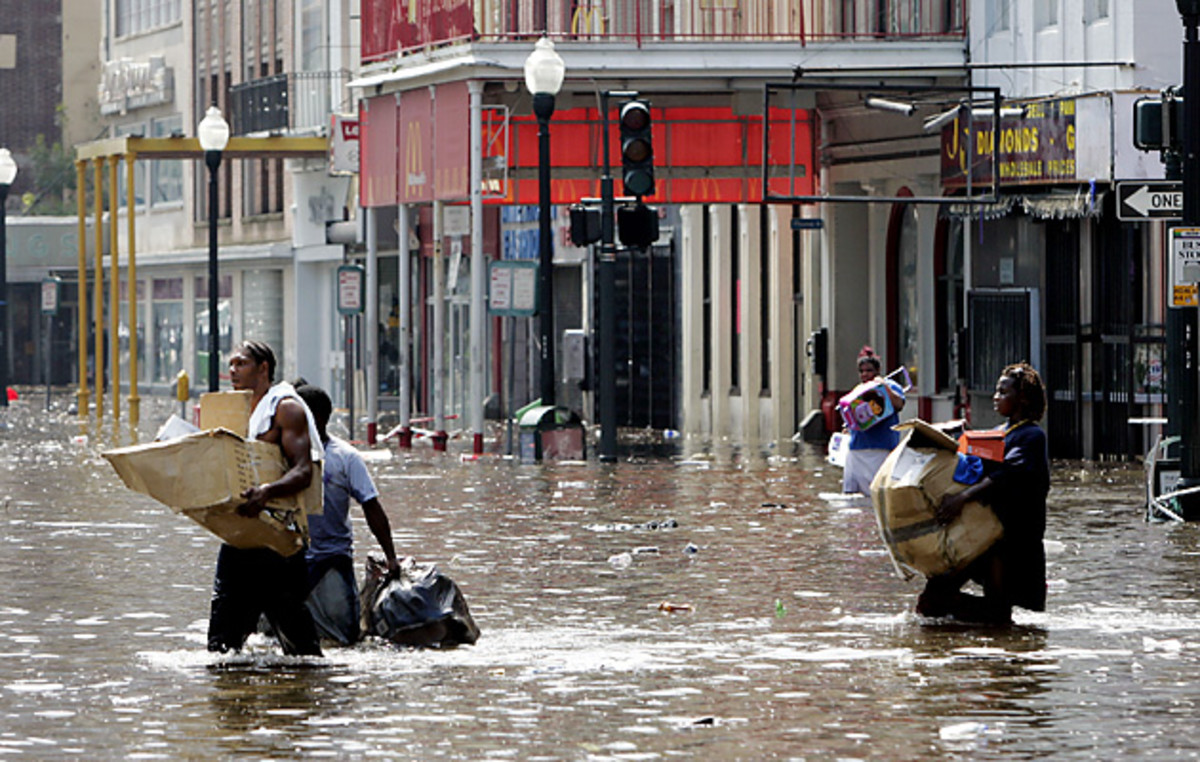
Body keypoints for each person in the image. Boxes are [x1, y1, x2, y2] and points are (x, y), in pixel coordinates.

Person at [207, 340, 325, 656]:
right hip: (241, 533)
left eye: (241, 363)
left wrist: (266, 493)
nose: (233, 370)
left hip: (277, 537)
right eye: (231, 364)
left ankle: (305, 696)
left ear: (263, 368)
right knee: (222, 643)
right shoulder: (237, 411)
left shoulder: (285, 408)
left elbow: (303, 471)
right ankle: (230, 698)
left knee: (298, 643)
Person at [917, 361, 1050, 625]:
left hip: (1008, 541)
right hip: (980, 534)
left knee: (998, 612)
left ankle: (996, 647)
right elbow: (974, 465)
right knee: (931, 602)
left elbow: (1008, 474)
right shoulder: (1000, 433)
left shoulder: (1032, 436)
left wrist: (962, 499)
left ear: (1022, 398)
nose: (996, 397)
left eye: (1003, 392)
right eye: (997, 391)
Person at [294, 383, 401, 645]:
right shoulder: (280, 453)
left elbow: (371, 507)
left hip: (331, 560)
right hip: (289, 561)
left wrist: (391, 557)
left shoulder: (346, 458)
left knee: (344, 639)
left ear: (315, 418)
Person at [842, 347, 906, 495]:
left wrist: (883, 386)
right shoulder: (858, 391)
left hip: (881, 448)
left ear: (877, 370)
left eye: (869, 370)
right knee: (852, 494)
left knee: (878, 493)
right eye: (861, 371)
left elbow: (899, 405)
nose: (865, 374)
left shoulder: (891, 386)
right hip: (857, 449)